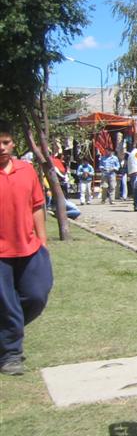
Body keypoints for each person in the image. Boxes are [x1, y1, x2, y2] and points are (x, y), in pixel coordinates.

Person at [0, 120, 53, 376]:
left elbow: (36, 206)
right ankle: (11, 355)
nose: (2, 148)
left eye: (6, 142)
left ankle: (7, 333)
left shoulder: (27, 170)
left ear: (13, 143)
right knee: (7, 305)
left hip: (30, 248)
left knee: (37, 296)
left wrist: (42, 242)